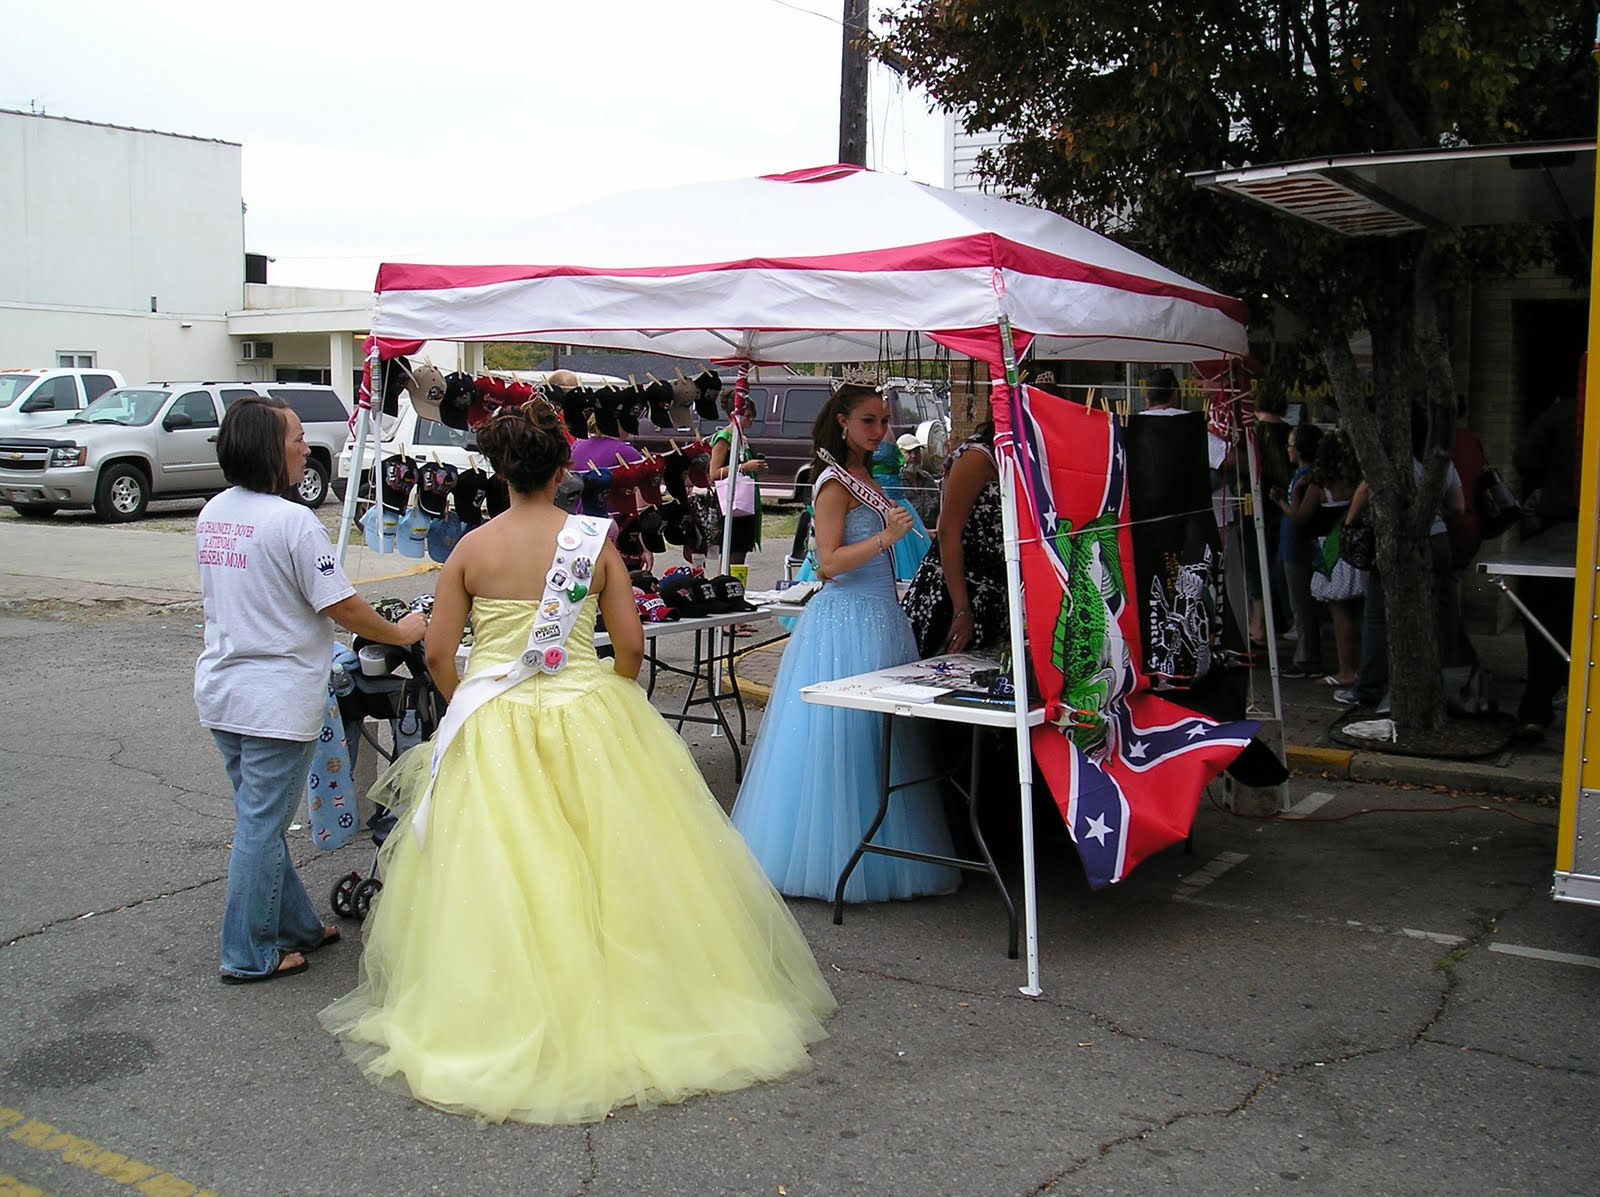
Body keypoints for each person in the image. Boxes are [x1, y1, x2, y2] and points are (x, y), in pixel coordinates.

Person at [319, 402, 834, 1125]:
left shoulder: (469, 549)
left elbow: (436, 651)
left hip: (495, 713)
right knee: (616, 862)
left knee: (505, 866)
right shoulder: (592, 544)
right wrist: (607, 700)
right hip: (585, 704)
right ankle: (641, 996)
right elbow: (630, 645)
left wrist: (469, 698)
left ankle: (508, 1005)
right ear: (565, 471)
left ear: (498, 471)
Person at [194, 397, 426, 985]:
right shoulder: (292, 521)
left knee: (258, 818)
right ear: (269, 449)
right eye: (296, 436)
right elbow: (342, 605)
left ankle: (295, 926)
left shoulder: (215, 512)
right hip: (274, 698)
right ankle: (247, 954)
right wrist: (402, 631)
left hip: (224, 691)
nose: (304, 445)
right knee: (260, 827)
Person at [731, 382, 960, 902]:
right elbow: (828, 564)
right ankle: (831, 851)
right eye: (869, 421)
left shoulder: (863, 476)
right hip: (845, 622)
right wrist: (884, 539)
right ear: (842, 422)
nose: (881, 430)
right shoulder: (834, 483)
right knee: (841, 740)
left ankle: (880, 842)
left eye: (884, 421)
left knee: (881, 742)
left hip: (882, 617)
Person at [1337, 406, 1467, 710]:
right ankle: (1446, 682)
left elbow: (1363, 493)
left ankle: (1369, 687)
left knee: (1378, 617)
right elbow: (1458, 506)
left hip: (1395, 543)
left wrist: (1349, 524)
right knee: (1440, 614)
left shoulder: (1392, 462)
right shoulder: (1441, 463)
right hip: (1437, 541)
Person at [901, 420, 1008, 657]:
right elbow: (948, 530)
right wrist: (961, 609)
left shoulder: (1020, 458)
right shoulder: (977, 457)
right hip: (954, 591)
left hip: (994, 593)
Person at [1511, 393, 1580, 741]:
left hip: (1560, 525)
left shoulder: (1564, 410)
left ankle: (1536, 710)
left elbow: (1524, 458)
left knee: (1544, 624)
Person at [1307, 429, 1364, 688]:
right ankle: (1363, 666)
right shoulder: (1357, 482)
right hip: (1357, 551)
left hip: (1332, 551)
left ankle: (1346, 669)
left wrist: (1292, 494)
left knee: (1339, 610)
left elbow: (1300, 516)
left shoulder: (1320, 486)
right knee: (1360, 612)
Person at [1269, 421, 1326, 678]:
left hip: (1299, 548)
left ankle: (1307, 659)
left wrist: (1281, 501)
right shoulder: (1301, 475)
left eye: (1291, 445)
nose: (1288, 450)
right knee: (1298, 604)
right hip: (1291, 546)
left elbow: (1299, 514)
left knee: (1302, 605)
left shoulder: (1308, 478)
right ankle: (1306, 655)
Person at [708, 393, 766, 570]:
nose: (751, 420)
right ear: (735, 414)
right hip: (731, 503)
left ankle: (734, 587)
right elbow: (714, 473)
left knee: (740, 552)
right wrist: (743, 467)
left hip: (745, 503)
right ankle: (723, 586)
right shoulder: (724, 438)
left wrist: (756, 468)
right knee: (731, 552)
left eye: (752, 416)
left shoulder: (742, 439)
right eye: (747, 416)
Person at [898, 433, 941, 526]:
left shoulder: (927, 478)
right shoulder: (895, 482)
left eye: (917, 452)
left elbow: (940, 507)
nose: (914, 456)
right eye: (908, 452)